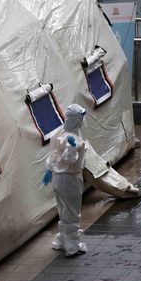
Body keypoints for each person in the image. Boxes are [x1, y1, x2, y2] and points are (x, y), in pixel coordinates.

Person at [43, 104, 89, 257]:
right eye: (81, 118)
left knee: (63, 211)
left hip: (58, 177)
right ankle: (72, 247)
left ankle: (62, 241)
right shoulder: (72, 138)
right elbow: (70, 159)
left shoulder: (58, 133)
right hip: (70, 179)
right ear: (77, 119)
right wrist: (72, 148)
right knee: (72, 212)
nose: (83, 120)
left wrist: (49, 171)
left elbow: (53, 156)